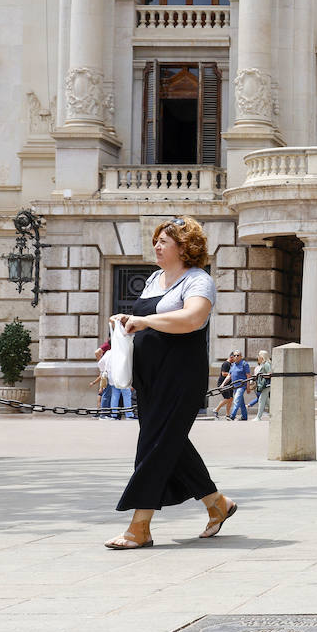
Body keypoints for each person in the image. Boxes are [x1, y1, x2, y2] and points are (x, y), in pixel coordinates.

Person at [105, 215, 236, 550]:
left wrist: (144, 320)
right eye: (156, 241)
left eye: (164, 241)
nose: (156, 246)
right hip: (149, 376)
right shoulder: (153, 279)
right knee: (169, 442)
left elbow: (192, 318)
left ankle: (140, 526)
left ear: (185, 246)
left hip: (180, 376)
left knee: (155, 445)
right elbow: (143, 325)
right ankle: (217, 503)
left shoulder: (198, 281)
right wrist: (115, 339)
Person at [88, 346, 112, 419]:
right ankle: (100, 412)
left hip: (103, 383)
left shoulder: (103, 363)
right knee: (101, 398)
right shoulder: (104, 363)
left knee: (101, 398)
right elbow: (101, 376)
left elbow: (100, 376)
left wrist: (94, 383)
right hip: (104, 382)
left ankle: (101, 413)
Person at [227, 350, 251, 421]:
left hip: (241, 386)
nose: (236, 357)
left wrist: (248, 387)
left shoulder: (244, 364)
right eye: (235, 355)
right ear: (233, 357)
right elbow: (229, 376)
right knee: (241, 402)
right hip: (235, 386)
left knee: (236, 400)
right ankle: (244, 416)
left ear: (241, 356)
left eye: (238, 355)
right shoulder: (233, 365)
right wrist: (222, 384)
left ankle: (232, 416)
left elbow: (248, 376)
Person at [213, 351, 235, 420]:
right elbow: (223, 373)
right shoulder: (226, 364)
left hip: (229, 384)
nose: (235, 359)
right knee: (227, 398)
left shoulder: (232, 364)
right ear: (231, 357)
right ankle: (216, 410)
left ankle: (227, 415)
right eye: (235, 357)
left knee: (231, 399)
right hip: (223, 384)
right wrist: (232, 374)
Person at [251, 350, 273, 420]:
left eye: (259, 355)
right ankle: (274, 415)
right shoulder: (264, 364)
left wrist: (261, 375)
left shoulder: (267, 364)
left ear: (262, 357)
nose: (258, 357)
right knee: (267, 401)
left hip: (266, 385)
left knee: (261, 399)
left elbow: (270, 374)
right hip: (264, 385)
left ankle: (258, 417)